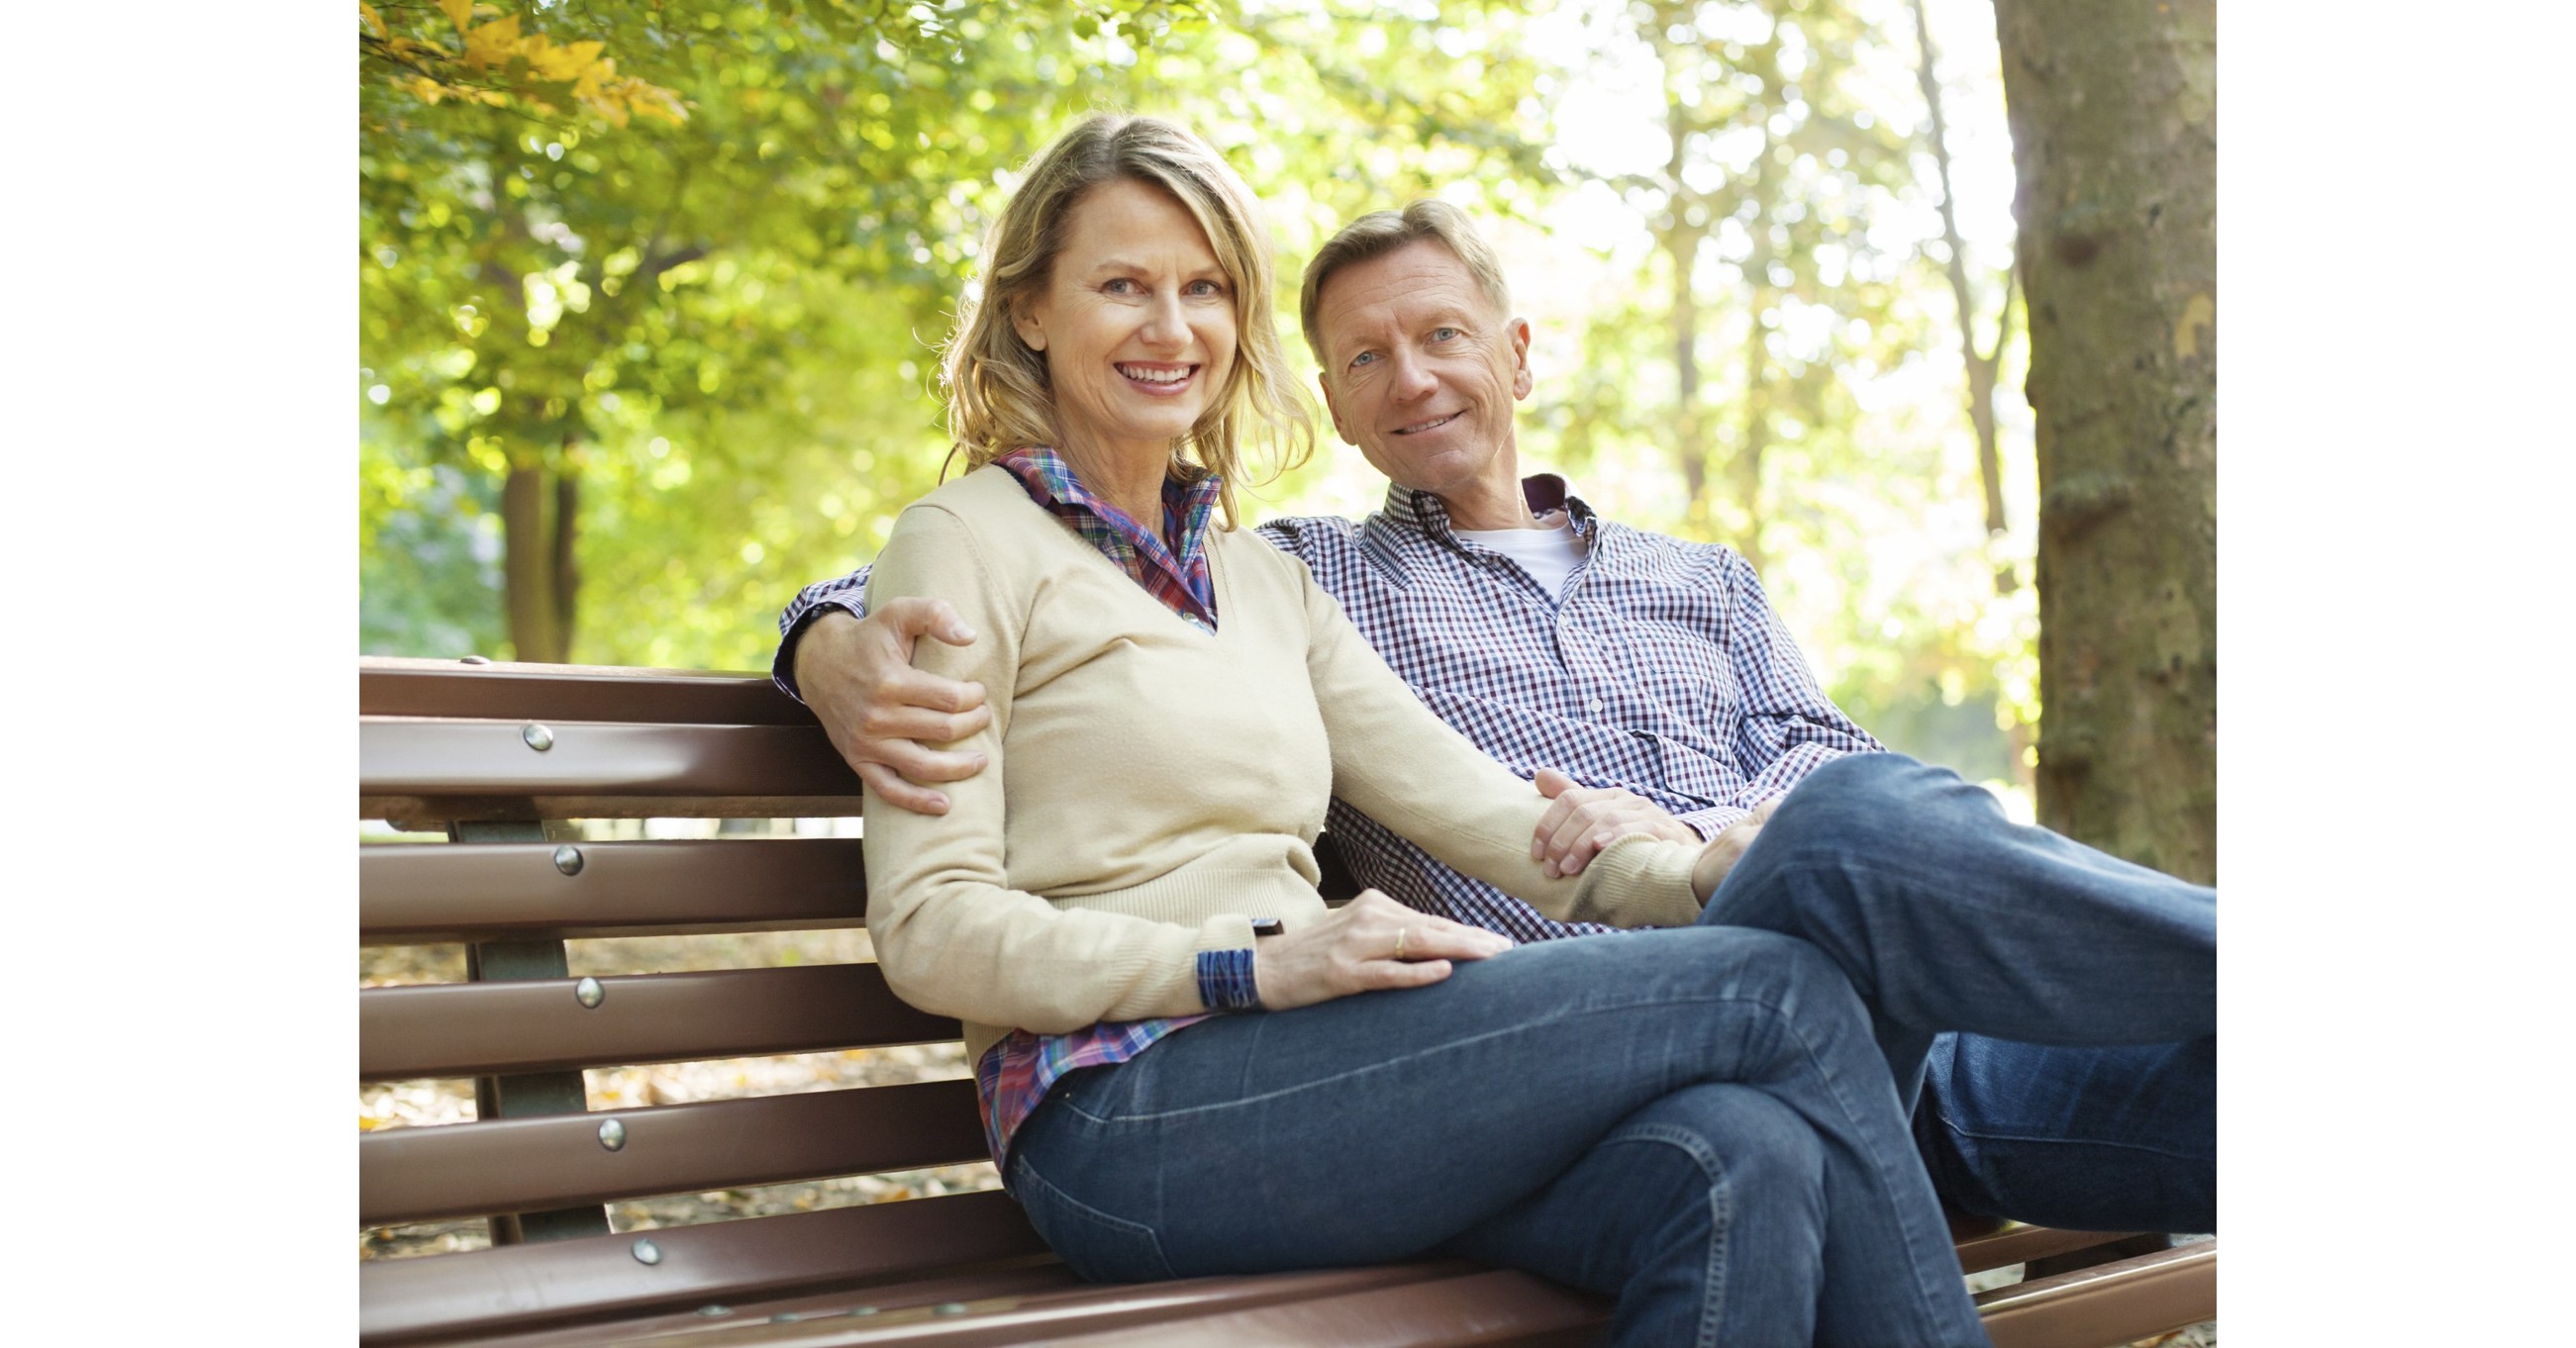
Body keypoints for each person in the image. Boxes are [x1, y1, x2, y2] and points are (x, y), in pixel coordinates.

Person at [785, 202, 2219, 1238]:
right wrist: (822, 632)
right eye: (1361, 359)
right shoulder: (1317, 572)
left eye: (1440, 335)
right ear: (1333, 409)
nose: (1408, 377)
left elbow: (1827, 751)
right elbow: (1045, 558)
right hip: (1587, 1030)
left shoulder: (1700, 579)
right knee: (1839, 864)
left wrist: (1715, 830)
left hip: (1869, 995)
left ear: (1516, 355)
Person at [846, 112, 1996, 1346]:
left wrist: (1715, 869)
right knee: (1774, 993)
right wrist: (1241, 964)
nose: (1171, 329)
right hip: (1120, 1112)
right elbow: (930, 929)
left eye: (1205, 290)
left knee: (1739, 1157)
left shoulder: (1265, 583)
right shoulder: (964, 541)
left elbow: (1496, 819)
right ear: (1029, 309)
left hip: (1317, 1075)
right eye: (1122, 286)